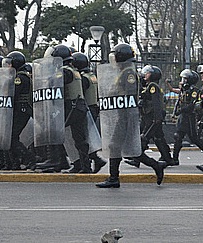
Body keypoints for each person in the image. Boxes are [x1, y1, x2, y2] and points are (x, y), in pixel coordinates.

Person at [96, 44, 166, 188]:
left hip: (125, 117)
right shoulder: (124, 72)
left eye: (115, 55)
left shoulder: (128, 73)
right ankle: (156, 166)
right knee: (130, 149)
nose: (113, 58)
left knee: (115, 146)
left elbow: (128, 96)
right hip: (123, 116)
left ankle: (114, 178)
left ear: (121, 56)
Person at [35, 45, 90, 173]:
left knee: (52, 129)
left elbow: (53, 84)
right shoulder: (73, 69)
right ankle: (83, 166)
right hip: (78, 107)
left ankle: (56, 160)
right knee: (79, 139)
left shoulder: (65, 71)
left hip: (72, 106)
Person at [125, 65, 175, 167]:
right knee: (158, 138)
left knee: (144, 138)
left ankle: (136, 159)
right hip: (148, 116)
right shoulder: (149, 86)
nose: (145, 74)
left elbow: (156, 103)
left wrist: (157, 117)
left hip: (152, 116)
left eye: (147, 73)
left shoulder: (153, 87)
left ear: (152, 75)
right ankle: (168, 159)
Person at [72, 52, 107, 173]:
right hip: (93, 107)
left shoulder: (83, 78)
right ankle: (95, 160)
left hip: (85, 108)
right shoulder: (91, 75)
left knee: (81, 137)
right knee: (86, 136)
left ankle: (89, 163)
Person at [167, 69, 202, 165]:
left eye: (184, 79)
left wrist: (181, 110)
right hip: (183, 117)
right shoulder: (184, 91)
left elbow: (192, 106)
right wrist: (175, 113)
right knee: (178, 137)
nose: (182, 81)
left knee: (194, 139)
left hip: (190, 117)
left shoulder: (194, 91)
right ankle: (175, 159)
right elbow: (179, 102)